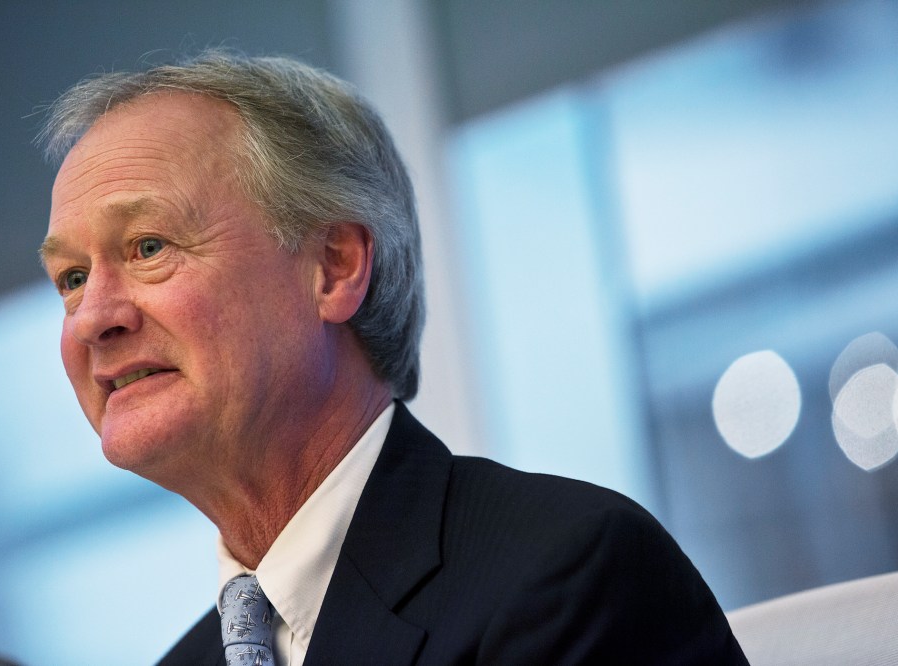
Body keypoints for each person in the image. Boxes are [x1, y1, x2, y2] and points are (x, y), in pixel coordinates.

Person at [38, 50, 748, 665]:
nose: (94, 317)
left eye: (148, 247)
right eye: (71, 279)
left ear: (334, 266)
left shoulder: (565, 576)